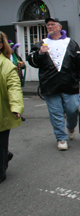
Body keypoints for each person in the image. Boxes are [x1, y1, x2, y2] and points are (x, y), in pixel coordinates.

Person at [28, 17, 80, 151]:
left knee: (72, 110)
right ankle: (61, 138)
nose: (49, 27)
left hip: (69, 84)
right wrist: (40, 54)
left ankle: (71, 126)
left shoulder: (71, 43)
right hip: (50, 85)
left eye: (52, 24)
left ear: (60, 27)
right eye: (48, 25)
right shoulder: (41, 44)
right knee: (56, 113)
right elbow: (32, 61)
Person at [0, 33, 24, 184]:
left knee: (0, 144)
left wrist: (16, 106)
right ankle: (5, 155)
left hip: (2, 112)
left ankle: (1, 171)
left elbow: (14, 87)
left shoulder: (7, 65)